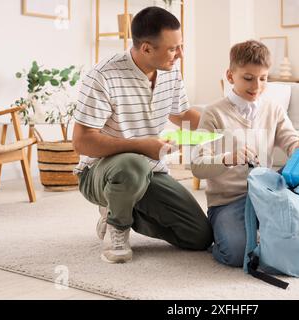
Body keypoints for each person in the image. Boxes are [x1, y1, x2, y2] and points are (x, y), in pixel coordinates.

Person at [72, 7, 213, 264]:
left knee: (199, 237)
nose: (180, 55)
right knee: (133, 163)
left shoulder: (170, 72)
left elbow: (180, 114)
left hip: (149, 170)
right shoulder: (103, 75)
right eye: (173, 49)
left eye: (181, 46)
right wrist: (141, 146)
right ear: (146, 48)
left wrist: (223, 128)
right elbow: (81, 142)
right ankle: (118, 227)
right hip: (99, 173)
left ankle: (118, 206)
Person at [191, 40, 299, 267]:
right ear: (230, 76)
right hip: (228, 202)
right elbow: (197, 166)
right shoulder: (212, 113)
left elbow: (291, 141)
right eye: (248, 78)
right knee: (236, 254)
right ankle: (231, 236)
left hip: (267, 193)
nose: (257, 86)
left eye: (263, 78)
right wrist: (227, 159)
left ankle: (266, 232)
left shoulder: (274, 109)